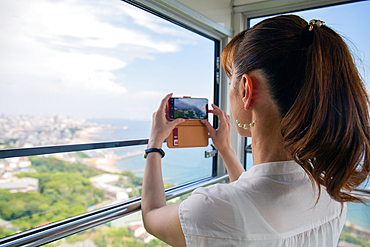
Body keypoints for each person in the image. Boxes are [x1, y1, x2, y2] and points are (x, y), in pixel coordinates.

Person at [141, 15, 370, 247]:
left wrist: (155, 143)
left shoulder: (213, 210)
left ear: (246, 90)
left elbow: (152, 216)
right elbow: (254, 199)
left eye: (231, 82)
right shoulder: (330, 190)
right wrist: (225, 149)